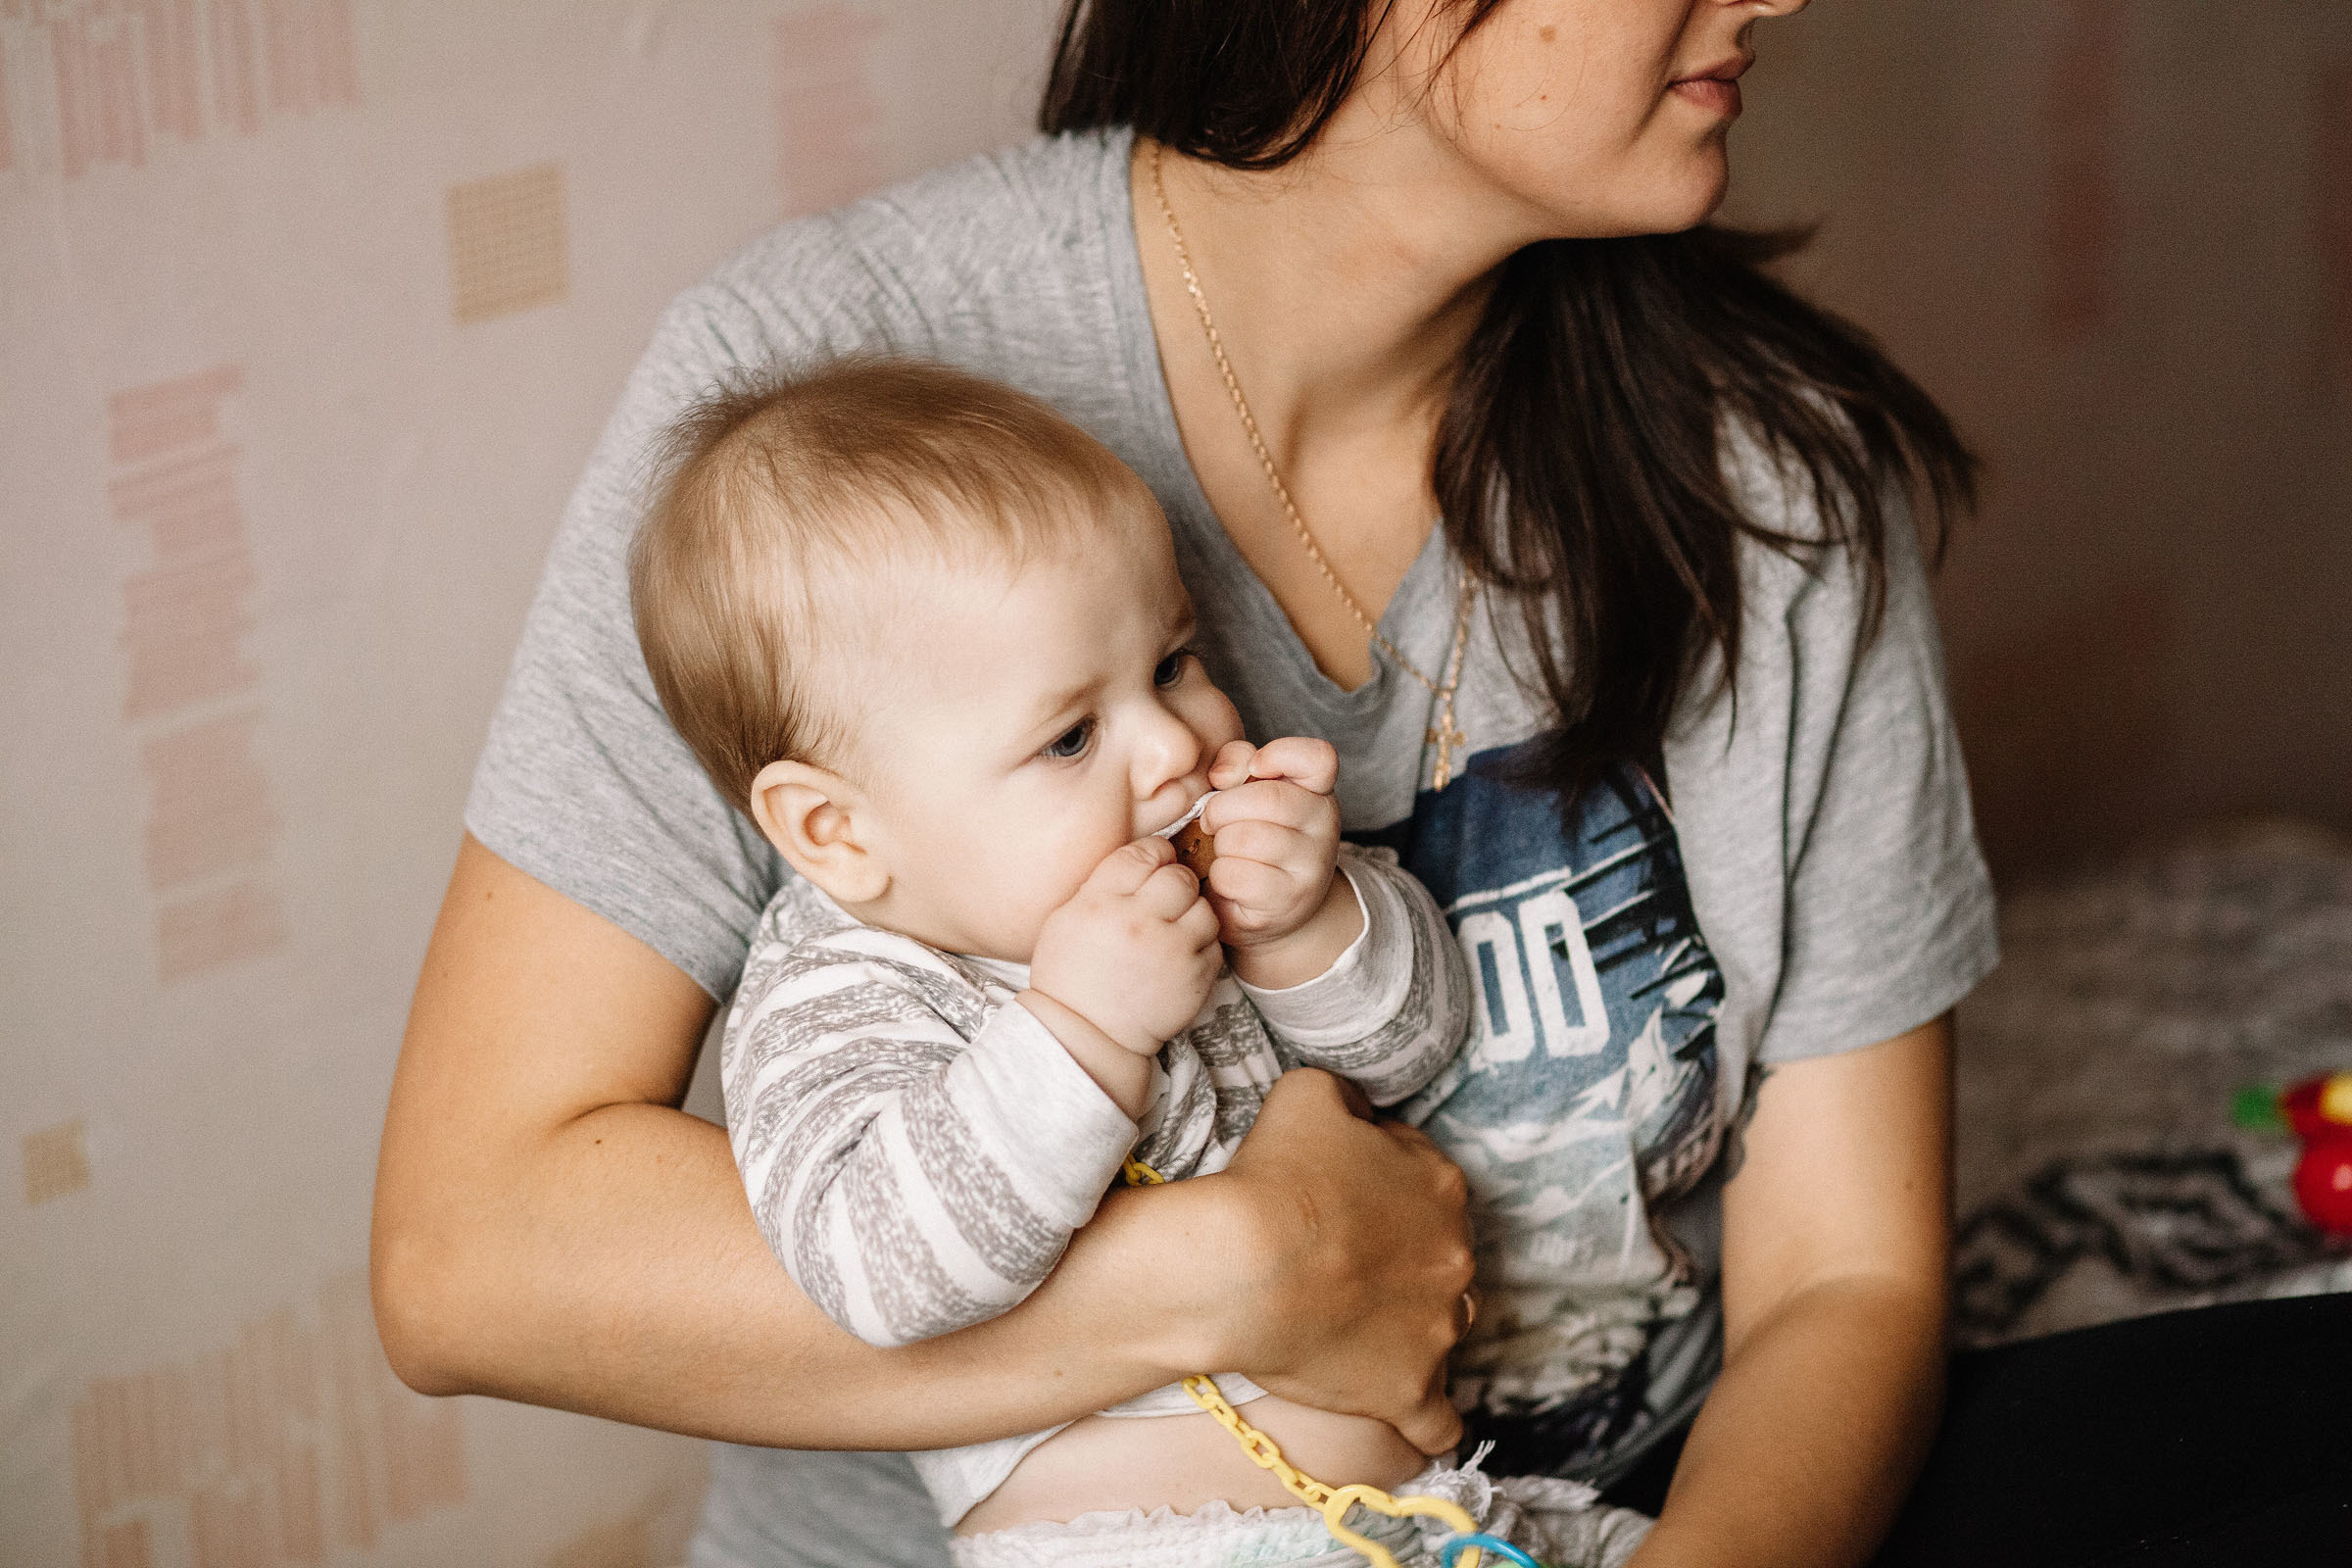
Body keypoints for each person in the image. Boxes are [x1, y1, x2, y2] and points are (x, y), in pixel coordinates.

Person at [376, 4, 2352, 1565]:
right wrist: (1247, 1269)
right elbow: (475, 1248)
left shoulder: (1775, 484)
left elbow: (1846, 1278)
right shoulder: (841, 424)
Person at [628, 357, 1654, 1567]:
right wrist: (1082, 1030)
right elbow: (881, 1275)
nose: (1172, 744)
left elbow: (1415, 1045)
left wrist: (1307, 926)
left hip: (1439, 1515)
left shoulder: (1176, 867)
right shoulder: (842, 992)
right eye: (1070, 735)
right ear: (837, 832)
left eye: (1172, 662)